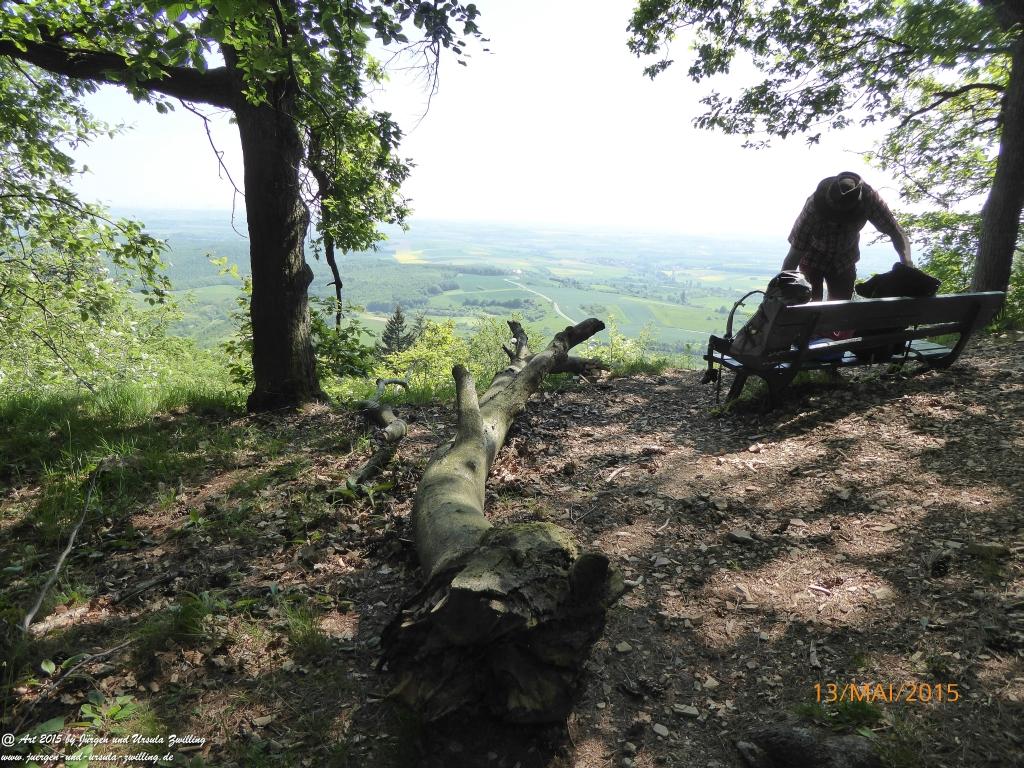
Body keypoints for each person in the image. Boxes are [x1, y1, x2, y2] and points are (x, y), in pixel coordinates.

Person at [782, 171, 912, 302]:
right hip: (812, 257)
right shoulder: (813, 208)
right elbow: (794, 255)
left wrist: (906, 265)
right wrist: (782, 289)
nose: (838, 220)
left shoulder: (869, 200)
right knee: (809, 304)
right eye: (833, 215)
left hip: (845, 259)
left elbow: (896, 232)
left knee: (840, 308)